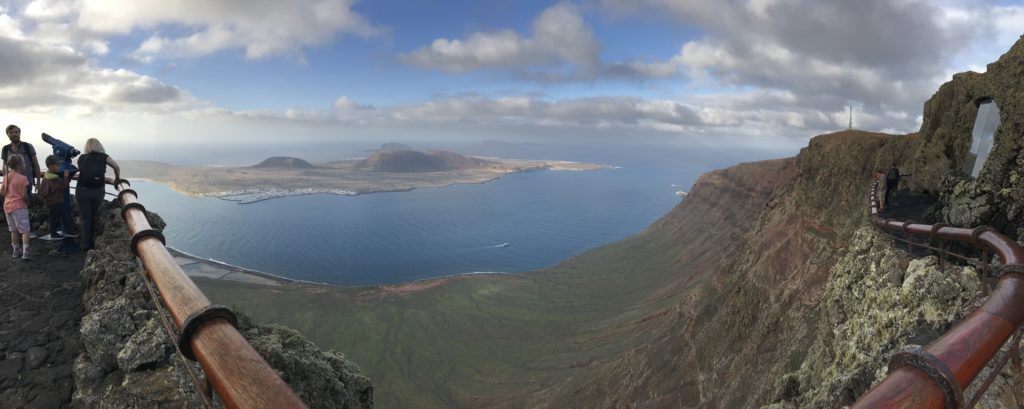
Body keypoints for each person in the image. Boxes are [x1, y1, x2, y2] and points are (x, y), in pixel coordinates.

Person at [76, 138, 120, 251]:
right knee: (94, 215)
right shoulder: (104, 157)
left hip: (82, 190)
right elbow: (116, 167)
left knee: (85, 217)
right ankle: (93, 242)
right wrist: (117, 179)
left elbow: (81, 171)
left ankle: (85, 244)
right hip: (98, 190)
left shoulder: (81, 158)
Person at [2, 155, 32, 260]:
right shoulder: (23, 178)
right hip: (19, 206)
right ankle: (26, 253)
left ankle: (15, 251)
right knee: (25, 230)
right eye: (23, 163)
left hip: (7, 206)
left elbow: (2, 192)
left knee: (13, 230)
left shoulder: (6, 176)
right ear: (20, 165)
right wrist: (27, 202)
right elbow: (24, 196)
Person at [2, 125, 42, 199]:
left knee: (24, 204)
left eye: (16, 132)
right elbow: (4, 166)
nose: (14, 134)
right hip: (11, 183)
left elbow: (36, 165)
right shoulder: (5, 149)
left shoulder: (28, 146)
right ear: (7, 134)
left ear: (19, 133)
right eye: (11, 132)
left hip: (26, 182)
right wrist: (6, 181)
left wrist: (38, 183)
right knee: (12, 204)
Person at [39, 155, 73, 240]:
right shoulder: (53, 178)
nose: (59, 166)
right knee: (54, 217)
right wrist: (65, 177)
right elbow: (63, 186)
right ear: (50, 166)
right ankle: (54, 233)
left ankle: (55, 232)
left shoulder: (47, 175)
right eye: (57, 165)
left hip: (50, 200)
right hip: (54, 201)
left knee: (54, 216)